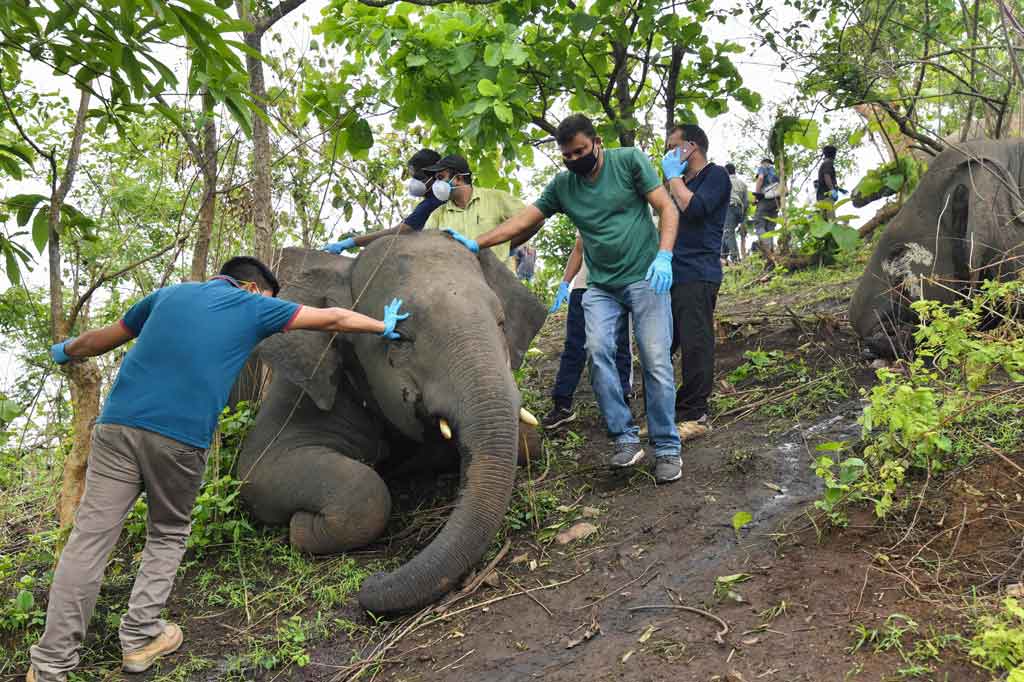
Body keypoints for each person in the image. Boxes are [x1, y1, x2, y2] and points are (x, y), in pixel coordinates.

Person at [26, 257, 410, 682]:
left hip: (117, 428)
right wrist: (381, 326)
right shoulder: (254, 305)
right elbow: (333, 317)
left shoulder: (165, 295)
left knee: (88, 542)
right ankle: (139, 640)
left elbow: (101, 340)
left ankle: (50, 666)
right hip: (179, 438)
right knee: (168, 533)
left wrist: (65, 351)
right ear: (252, 288)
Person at [442, 113, 683, 483]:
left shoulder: (629, 161)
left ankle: (667, 447)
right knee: (598, 354)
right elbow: (525, 219)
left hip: (645, 276)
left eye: (580, 151)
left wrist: (665, 255)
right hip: (601, 284)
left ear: (597, 142)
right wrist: (478, 242)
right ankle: (624, 438)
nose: (574, 160)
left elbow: (665, 206)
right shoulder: (564, 186)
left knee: (655, 360)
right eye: (566, 155)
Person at [662, 124, 731, 443]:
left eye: (673, 147)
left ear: (691, 147)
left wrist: (674, 179)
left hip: (698, 272)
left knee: (695, 342)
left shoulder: (715, 176)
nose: (668, 154)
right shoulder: (677, 185)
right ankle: (670, 411)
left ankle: (695, 413)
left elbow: (697, 208)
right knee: (664, 344)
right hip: (671, 273)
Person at [543, 235, 633, 429]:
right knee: (574, 347)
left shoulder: (633, 209)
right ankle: (562, 404)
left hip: (616, 285)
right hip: (584, 286)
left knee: (619, 345)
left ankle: (622, 402)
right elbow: (578, 249)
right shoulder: (587, 208)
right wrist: (565, 282)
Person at [424, 154, 539, 268]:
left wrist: (505, 245)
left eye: (440, 178)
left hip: (499, 280)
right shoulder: (437, 216)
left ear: (458, 178)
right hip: (458, 282)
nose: (436, 184)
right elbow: (425, 250)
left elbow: (536, 220)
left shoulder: (497, 199)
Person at [323, 148, 446, 253]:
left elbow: (400, 231)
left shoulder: (432, 203)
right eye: (413, 178)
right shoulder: (436, 199)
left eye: (419, 177)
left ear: (434, 174)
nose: (415, 183)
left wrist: (351, 242)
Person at [752, 157, 781, 254]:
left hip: (765, 199)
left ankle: (767, 250)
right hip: (777, 201)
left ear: (763, 163)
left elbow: (760, 178)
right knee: (770, 227)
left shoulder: (763, 168)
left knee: (759, 224)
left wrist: (756, 195)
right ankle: (772, 251)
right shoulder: (777, 172)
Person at [722, 163, 748, 264]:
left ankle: (735, 258)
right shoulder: (742, 183)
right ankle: (722, 256)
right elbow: (746, 202)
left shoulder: (725, 181)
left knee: (728, 232)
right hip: (739, 210)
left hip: (729, 208)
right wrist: (743, 219)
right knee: (726, 232)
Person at [815, 144, 840, 220]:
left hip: (821, 197)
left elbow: (824, 180)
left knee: (824, 219)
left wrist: (839, 189)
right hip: (827, 197)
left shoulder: (824, 164)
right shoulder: (828, 163)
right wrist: (832, 190)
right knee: (831, 219)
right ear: (833, 155)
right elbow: (827, 176)